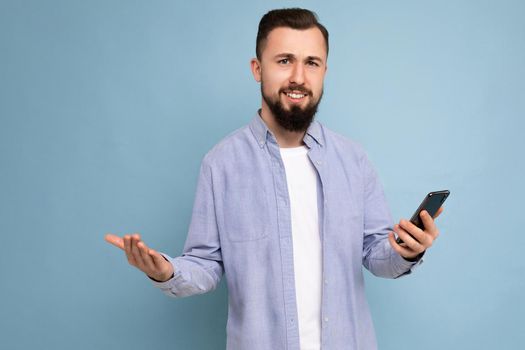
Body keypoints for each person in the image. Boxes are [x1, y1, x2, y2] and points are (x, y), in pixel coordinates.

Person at [105, 8, 444, 350]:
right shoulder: (221, 164)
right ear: (257, 68)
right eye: (284, 61)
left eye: (312, 62)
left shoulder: (354, 161)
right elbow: (205, 265)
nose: (298, 76)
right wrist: (165, 271)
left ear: (324, 71)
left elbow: (376, 254)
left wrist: (407, 250)